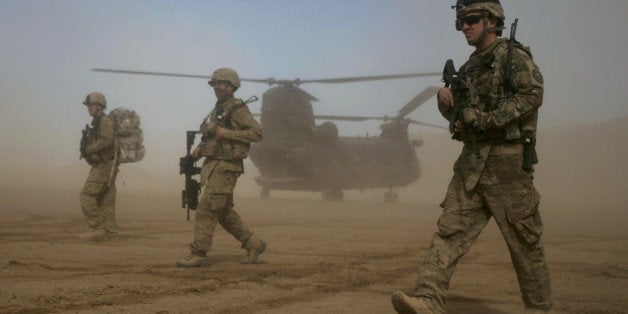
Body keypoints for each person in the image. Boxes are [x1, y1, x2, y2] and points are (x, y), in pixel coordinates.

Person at [391, 0, 551, 313]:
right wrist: (446, 102)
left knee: (524, 242)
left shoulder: (513, 57)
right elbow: (460, 122)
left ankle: (539, 308)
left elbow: (531, 97)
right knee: (449, 233)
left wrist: (484, 119)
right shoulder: (468, 69)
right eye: (461, 21)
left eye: (472, 20)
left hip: (507, 164)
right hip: (472, 163)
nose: (465, 26)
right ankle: (428, 300)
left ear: (493, 20)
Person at [176, 67, 267, 268]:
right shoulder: (219, 108)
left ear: (232, 86)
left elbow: (257, 133)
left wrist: (228, 134)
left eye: (222, 83)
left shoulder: (238, 108)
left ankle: (199, 253)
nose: (217, 87)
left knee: (206, 209)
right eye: (215, 83)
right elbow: (212, 134)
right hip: (214, 164)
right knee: (223, 212)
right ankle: (254, 244)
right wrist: (200, 148)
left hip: (227, 166)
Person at [79, 92, 119, 241]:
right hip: (108, 165)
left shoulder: (104, 121)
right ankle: (110, 232)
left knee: (86, 196)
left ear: (100, 106)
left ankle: (96, 228)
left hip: (104, 166)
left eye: (91, 105)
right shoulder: (98, 121)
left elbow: (107, 139)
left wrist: (90, 149)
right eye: (88, 106)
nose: (89, 108)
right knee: (106, 200)